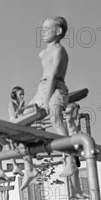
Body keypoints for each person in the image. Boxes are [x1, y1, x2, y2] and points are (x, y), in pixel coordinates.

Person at [21, 16, 76, 190]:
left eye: (47, 29)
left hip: (56, 87)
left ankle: (70, 159)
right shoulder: (43, 52)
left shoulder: (59, 50)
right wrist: (41, 96)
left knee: (55, 117)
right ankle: (29, 168)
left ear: (58, 31)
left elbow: (53, 76)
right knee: (21, 121)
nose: (43, 32)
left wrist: (46, 99)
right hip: (42, 87)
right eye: (42, 29)